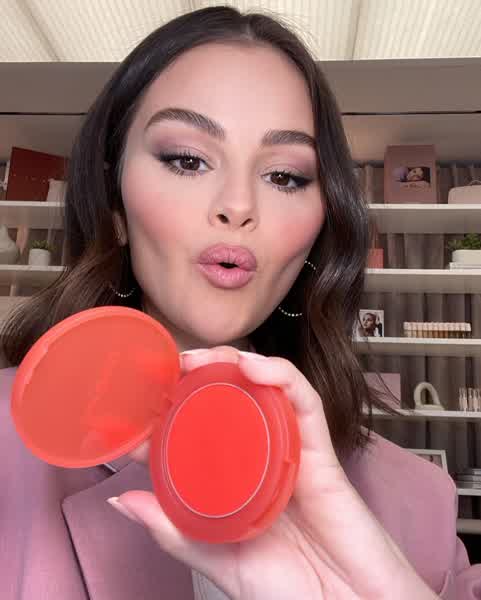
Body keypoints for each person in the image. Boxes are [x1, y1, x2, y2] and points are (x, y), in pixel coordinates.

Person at [0, 6, 478, 600]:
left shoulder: (422, 502)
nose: (238, 205)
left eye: (285, 176)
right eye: (187, 159)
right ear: (114, 204)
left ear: (320, 225)